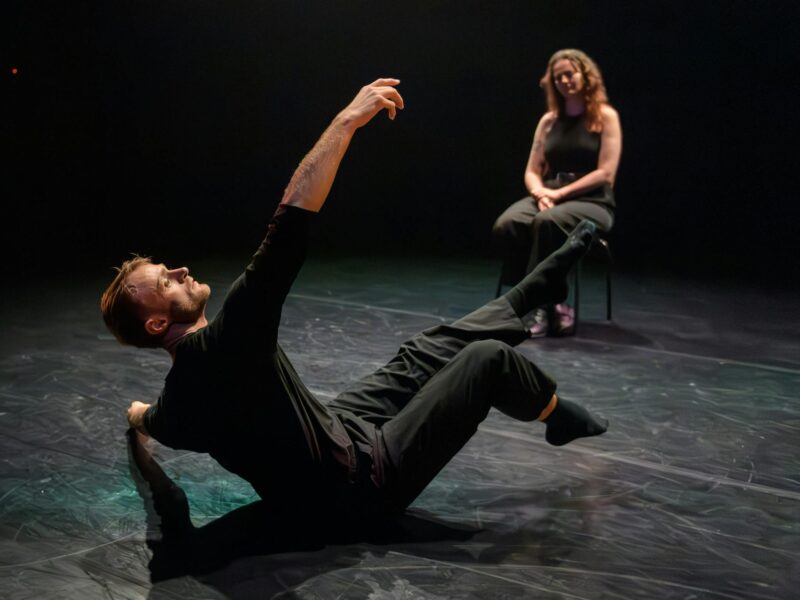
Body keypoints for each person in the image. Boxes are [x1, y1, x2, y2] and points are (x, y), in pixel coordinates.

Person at [101, 78, 608, 524]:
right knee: (486, 361)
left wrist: (136, 415)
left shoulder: (178, 405)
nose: (179, 270)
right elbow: (290, 218)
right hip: (360, 488)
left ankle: (532, 291)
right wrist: (346, 122)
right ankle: (553, 411)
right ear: (156, 323)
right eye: (165, 281)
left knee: (420, 354)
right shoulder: (228, 338)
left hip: (334, 440)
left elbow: (152, 418)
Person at [492, 49, 622, 337]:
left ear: (585, 75)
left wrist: (559, 197)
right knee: (509, 223)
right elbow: (532, 170)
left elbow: (606, 173)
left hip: (593, 200)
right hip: (550, 195)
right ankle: (534, 302)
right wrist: (540, 193)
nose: (564, 80)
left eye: (570, 73)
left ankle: (544, 303)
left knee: (547, 222)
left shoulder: (605, 117)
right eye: (558, 76)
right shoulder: (549, 121)